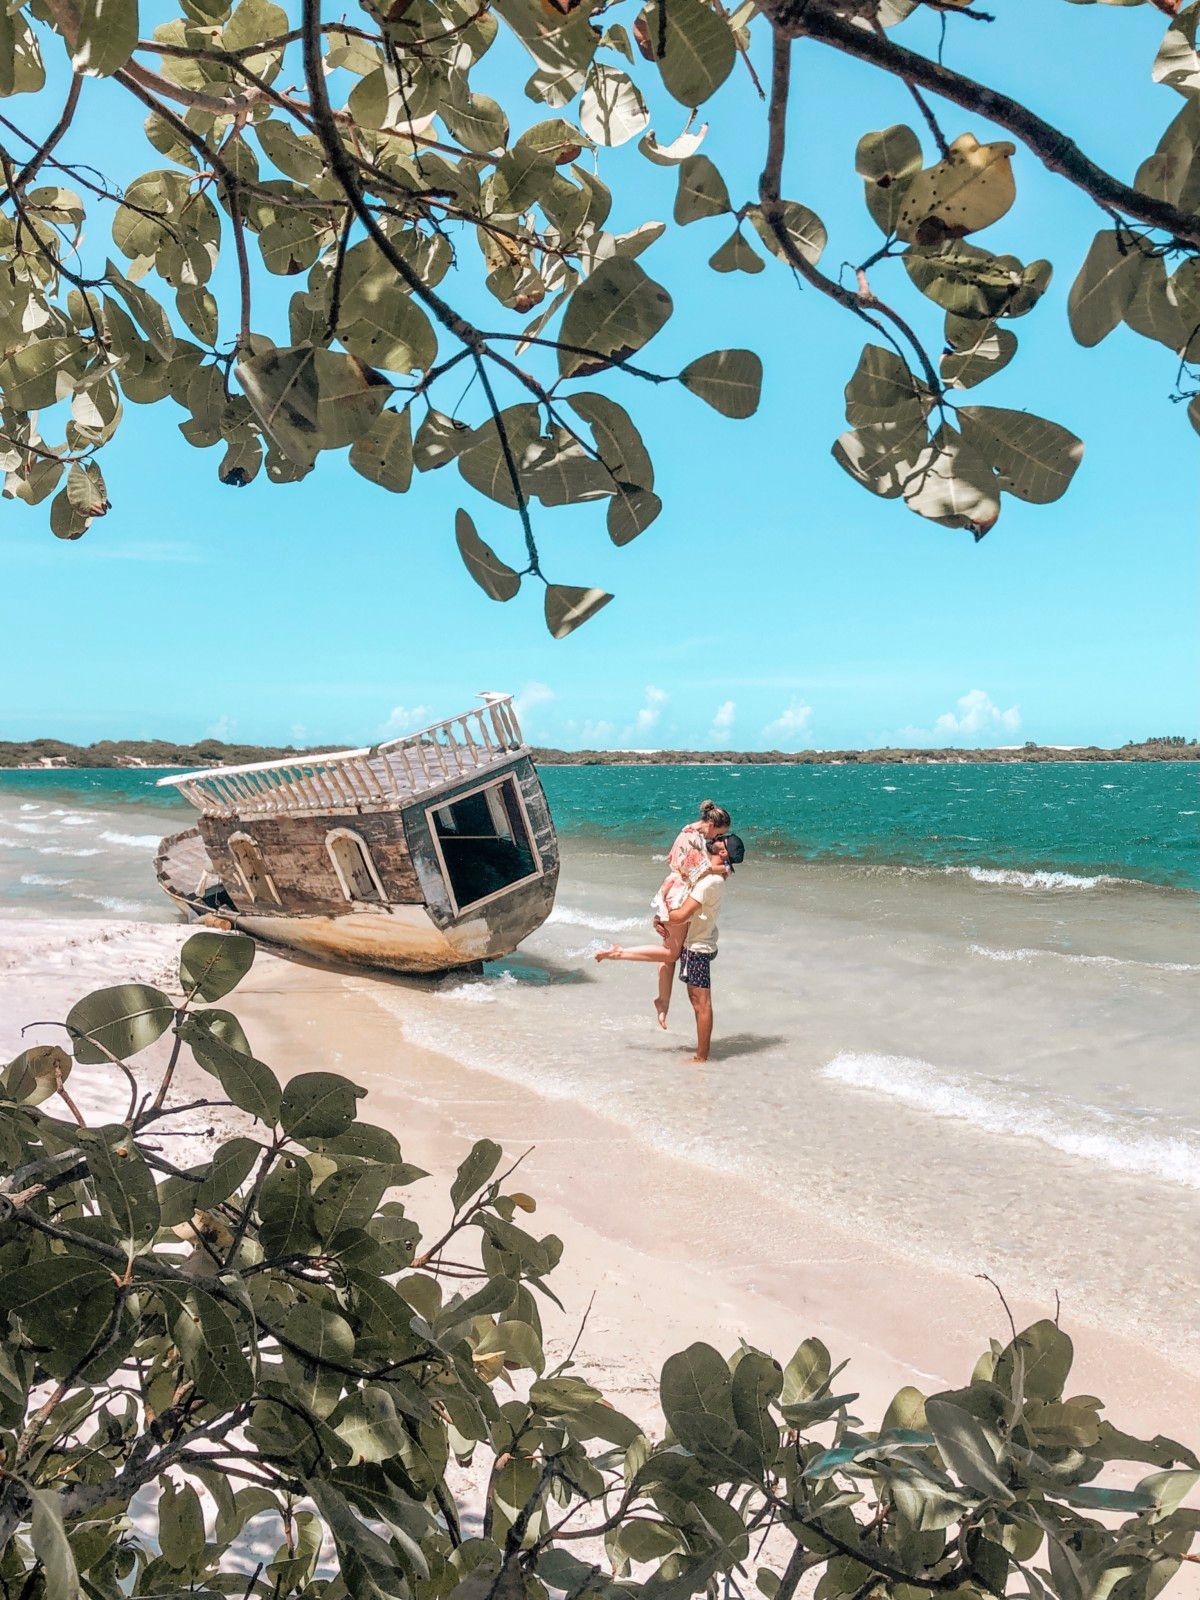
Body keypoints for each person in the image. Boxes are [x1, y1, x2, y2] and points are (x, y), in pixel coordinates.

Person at [595, 832, 746, 1062]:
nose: (716, 838)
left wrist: (662, 917)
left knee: (701, 1004)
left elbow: (681, 915)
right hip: (692, 945)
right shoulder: (711, 875)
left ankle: (701, 1058)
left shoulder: (709, 883)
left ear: (723, 851)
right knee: (697, 1002)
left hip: (698, 948)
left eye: (720, 839)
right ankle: (699, 1051)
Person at [646, 800, 731, 1027]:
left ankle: (663, 1003)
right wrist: (724, 869)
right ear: (711, 825)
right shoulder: (692, 837)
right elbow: (696, 870)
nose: (716, 841)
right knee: (671, 951)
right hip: (679, 892)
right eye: (719, 834)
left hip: (678, 890)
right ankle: (662, 1001)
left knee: (671, 951)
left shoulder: (691, 833)